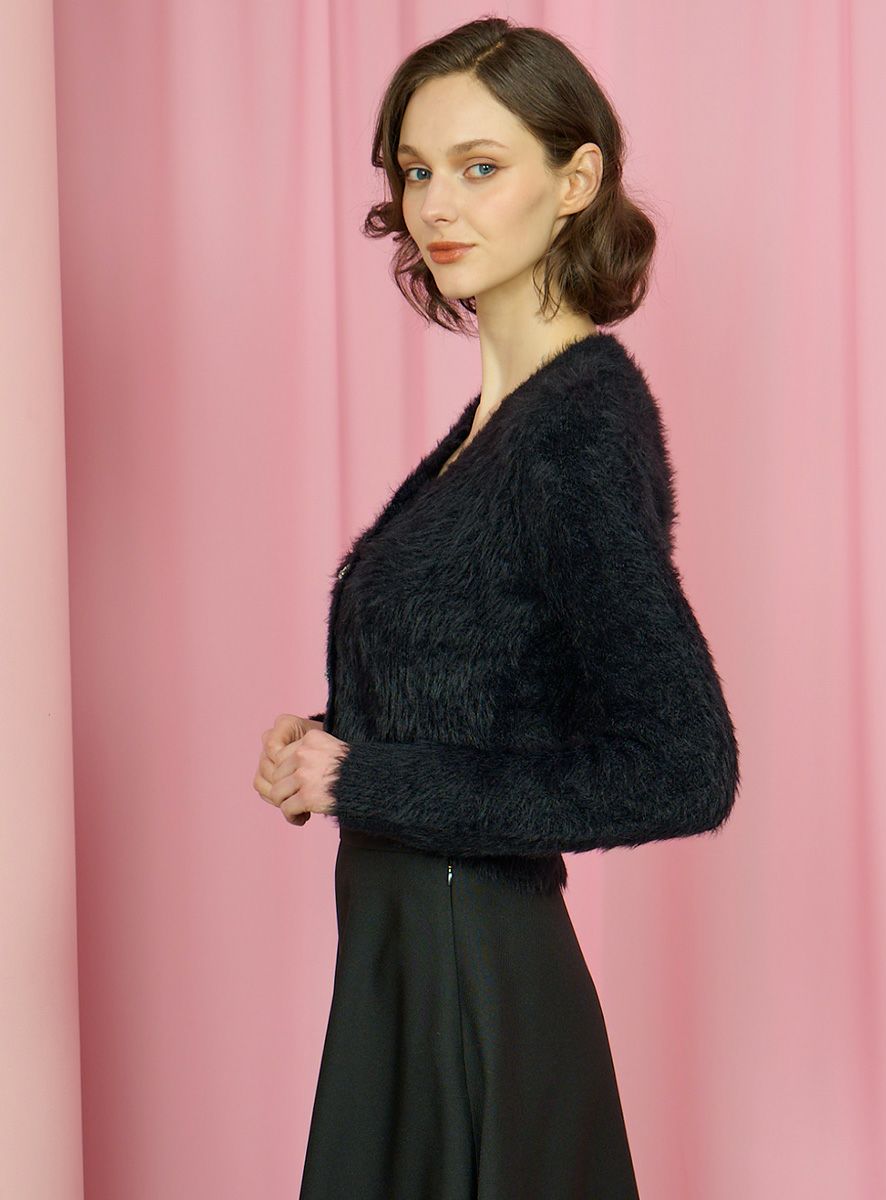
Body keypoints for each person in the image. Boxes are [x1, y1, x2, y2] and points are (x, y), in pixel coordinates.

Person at [252, 16, 740, 1199]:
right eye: (416, 171)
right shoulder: (500, 427)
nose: (436, 206)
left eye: (480, 167)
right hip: (407, 964)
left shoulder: (574, 429)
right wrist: (328, 745)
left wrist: (367, 779)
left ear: (575, 180)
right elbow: (487, 694)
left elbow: (683, 766)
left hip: (472, 973)